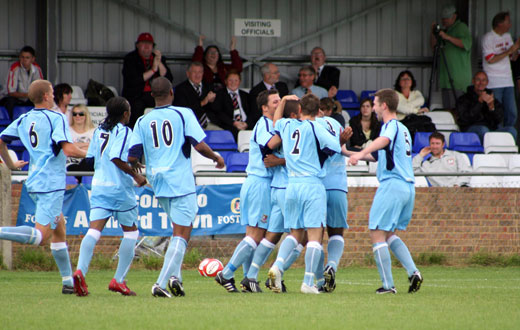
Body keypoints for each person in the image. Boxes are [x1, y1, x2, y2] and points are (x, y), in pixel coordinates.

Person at [128, 77, 224, 298]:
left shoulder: (143, 120)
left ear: (152, 95)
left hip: (157, 181)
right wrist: (216, 158)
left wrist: (136, 166)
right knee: (183, 233)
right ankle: (160, 283)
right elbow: (199, 144)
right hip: (179, 179)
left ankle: (176, 279)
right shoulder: (183, 114)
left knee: (177, 229)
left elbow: (132, 154)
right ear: (172, 92)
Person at [0, 80, 86, 294]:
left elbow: (1, 141)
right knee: (41, 236)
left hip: (36, 181)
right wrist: (92, 154)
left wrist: (10, 165)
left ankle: (68, 283)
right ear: (47, 96)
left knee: (59, 230)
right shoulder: (56, 117)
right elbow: (68, 150)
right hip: (51, 183)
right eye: (52, 92)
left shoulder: (24, 118)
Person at [266, 94, 348, 294]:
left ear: (300, 110)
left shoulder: (287, 125)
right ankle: (308, 282)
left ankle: (277, 266)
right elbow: (336, 147)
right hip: (312, 184)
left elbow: (275, 121)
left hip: (291, 185)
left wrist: (284, 101)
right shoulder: (317, 127)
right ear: (317, 110)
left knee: (294, 233)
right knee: (314, 236)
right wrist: (342, 139)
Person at [347, 89, 422, 294]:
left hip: (393, 184)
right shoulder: (403, 129)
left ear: (384, 106)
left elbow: (384, 142)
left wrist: (362, 150)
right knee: (388, 233)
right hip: (406, 186)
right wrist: (348, 152)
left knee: (376, 232)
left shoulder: (391, 126)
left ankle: (388, 286)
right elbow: (381, 156)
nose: (373, 108)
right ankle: (413, 272)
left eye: (375, 104)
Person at [73, 96, 147, 297]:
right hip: (119, 189)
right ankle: (118, 280)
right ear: (125, 114)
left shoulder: (99, 131)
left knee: (94, 231)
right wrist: (136, 175)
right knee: (131, 233)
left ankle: (80, 271)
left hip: (98, 186)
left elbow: (90, 160)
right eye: (129, 111)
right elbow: (116, 157)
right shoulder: (123, 131)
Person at [215, 89, 280, 293]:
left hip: (260, 184)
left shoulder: (273, 124)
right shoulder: (264, 124)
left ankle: (246, 280)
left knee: (254, 236)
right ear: (264, 108)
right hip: (259, 183)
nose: (279, 104)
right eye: (276, 101)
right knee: (254, 236)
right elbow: (268, 146)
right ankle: (226, 274)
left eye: (280, 100)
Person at [241, 99, 299, 293]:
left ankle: (250, 277)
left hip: (272, 185)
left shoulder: (279, 125)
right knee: (300, 235)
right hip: (275, 185)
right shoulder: (277, 125)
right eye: (275, 101)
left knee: (271, 234)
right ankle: (273, 271)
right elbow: (272, 147)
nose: (278, 105)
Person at [316, 106, 351, 293]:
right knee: (336, 233)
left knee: (315, 237)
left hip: (317, 186)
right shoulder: (336, 123)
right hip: (338, 185)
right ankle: (332, 265)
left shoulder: (310, 125)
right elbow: (343, 150)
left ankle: (321, 281)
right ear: (320, 110)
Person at [122, 32, 173, 128]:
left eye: (149, 44)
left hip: (155, 95)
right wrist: (153, 70)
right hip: (136, 95)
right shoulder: (131, 58)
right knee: (137, 107)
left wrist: (159, 62)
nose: (146, 47)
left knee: (167, 106)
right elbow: (133, 80)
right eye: (143, 44)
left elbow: (168, 79)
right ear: (137, 45)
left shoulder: (157, 58)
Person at [482, 11, 520, 130]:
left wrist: (516, 49)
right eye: (508, 21)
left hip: (508, 80)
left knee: (512, 111)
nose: (510, 24)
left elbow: (513, 58)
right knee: (496, 112)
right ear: (499, 23)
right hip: (494, 81)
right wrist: (510, 50)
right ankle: (497, 135)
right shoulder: (488, 38)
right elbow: (490, 59)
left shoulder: (507, 36)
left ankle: (508, 134)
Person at [430, 4, 472, 109]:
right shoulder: (445, 30)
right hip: (445, 79)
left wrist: (447, 37)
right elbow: (434, 47)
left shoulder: (461, 27)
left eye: (447, 18)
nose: (444, 20)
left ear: (454, 16)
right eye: (443, 18)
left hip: (458, 80)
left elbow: (466, 44)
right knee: (448, 110)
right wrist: (434, 33)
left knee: (458, 110)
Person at [456, 71, 516, 142]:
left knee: (511, 130)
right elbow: (464, 118)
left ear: (487, 82)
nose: (481, 83)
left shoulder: (491, 98)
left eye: (483, 80)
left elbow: (499, 120)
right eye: (478, 80)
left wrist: (491, 107)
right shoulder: (464, 98)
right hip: (471, 129)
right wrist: (479, 102)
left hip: (490, 130)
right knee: (483, 130)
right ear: (473, 81)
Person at [173, 62, 220, 130]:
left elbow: (217, 109)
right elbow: (183, 111)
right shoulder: (180, 89)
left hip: (210, 123)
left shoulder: (209, 86)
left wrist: (213, 101)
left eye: (200, 72)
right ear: (188, 74)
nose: (197, 75)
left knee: (224, 135)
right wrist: (202, 102)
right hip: (190, 125)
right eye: (194, 72)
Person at [0, 46, 43, 119]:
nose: (24, 60)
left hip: (28, 98)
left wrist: (30, 96)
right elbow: (11, 92)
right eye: (22, 57)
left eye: (27, 58)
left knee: (41, 102)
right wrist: (28, 95)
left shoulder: (37, 69)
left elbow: (40, 87)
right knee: (10, 102)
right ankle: (11, 123)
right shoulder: (15, 68)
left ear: (33, 59)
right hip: (12, 98)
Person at [211, 70, 254, 138]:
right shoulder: (219, 95)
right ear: (225, 81)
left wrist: (247, 123)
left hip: (246, 125)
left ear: (239, 81)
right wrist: (234, 123)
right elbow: (218, 113)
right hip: (230, 126)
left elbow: (253, 112)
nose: (233, 83)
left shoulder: (246, 95)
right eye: (230, 80)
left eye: (236, 80)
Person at [66, 105, 96, 181]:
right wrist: (87, 145)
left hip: (88, 163)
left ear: (86, 115)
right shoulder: (67, 130)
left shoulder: (94, 131)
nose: (77, 116)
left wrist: (76, 146)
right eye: (74, 114)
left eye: (81, 114)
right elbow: (68, 148)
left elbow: (96, 148)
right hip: (70, 164)